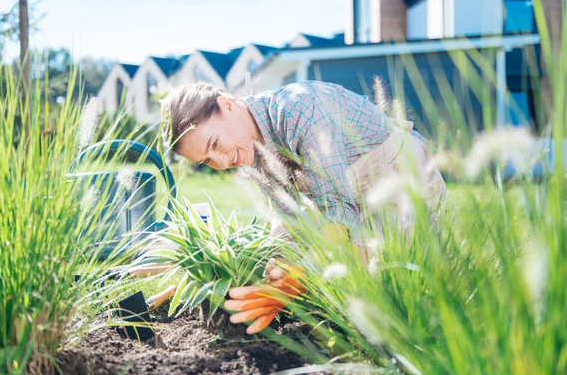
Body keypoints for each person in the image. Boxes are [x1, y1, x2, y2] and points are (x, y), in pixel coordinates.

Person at [160, 80, 447, 334]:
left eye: (215, 143)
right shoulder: (249, 151)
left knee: (407, 298)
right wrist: (214, 282)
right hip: (346, 196)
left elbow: (337, 212)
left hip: (398, 176)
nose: (221, 163)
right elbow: (292, 221)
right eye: (207, 161)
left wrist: (295, 281)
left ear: (227, 105)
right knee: (342, 295)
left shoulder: (300, 109)